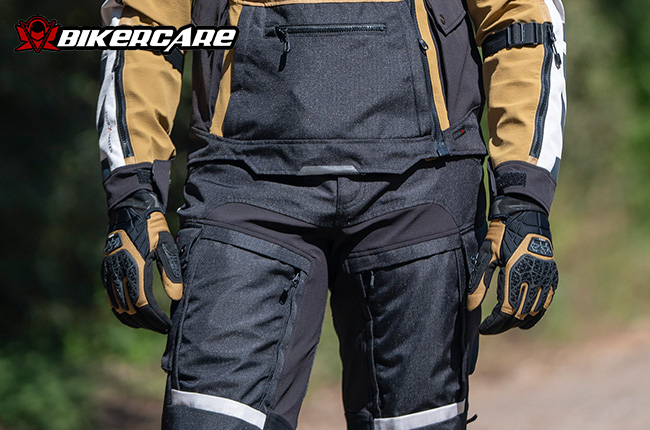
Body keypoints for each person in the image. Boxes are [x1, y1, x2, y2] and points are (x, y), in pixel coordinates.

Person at [97, 0, 566, 428]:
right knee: (208, 421)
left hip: (422, 189)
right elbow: (144, 24)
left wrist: (522, 198)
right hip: (244, 185)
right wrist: (134, 195)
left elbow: (521, 16)